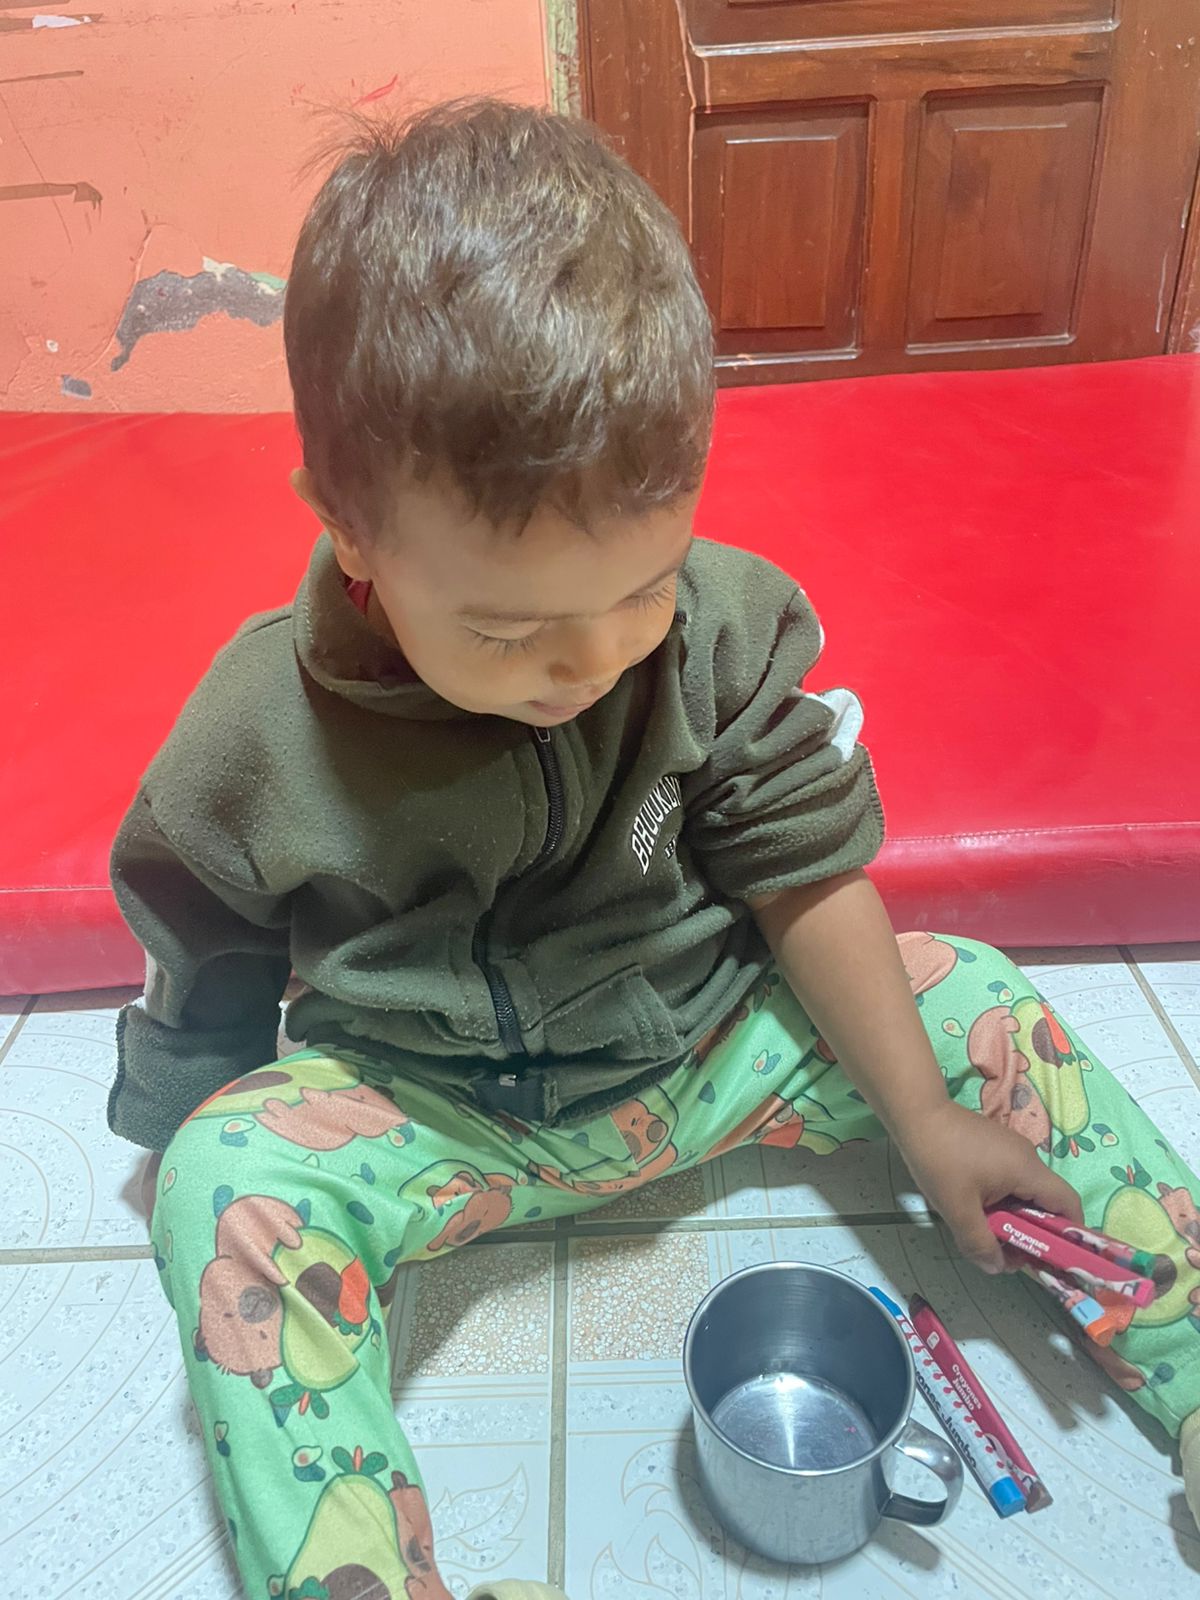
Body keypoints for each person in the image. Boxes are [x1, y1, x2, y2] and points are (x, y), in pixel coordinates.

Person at [109, 100, 1200, 1600]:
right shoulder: (250, 733)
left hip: (708, 1053)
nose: (588, 663)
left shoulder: (727, 630)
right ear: (352, 533)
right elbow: (203, 946)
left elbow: (803, 868)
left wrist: (926, 1118)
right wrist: (202, 1120)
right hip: (440, 1117)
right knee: (215, 1180)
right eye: (507, 630)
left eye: (641, 590)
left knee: (970, 993)